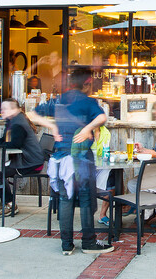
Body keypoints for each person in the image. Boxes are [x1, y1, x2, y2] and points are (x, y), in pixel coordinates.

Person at [29, 68, 114, 255]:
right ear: (88, 82)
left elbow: (32, 114)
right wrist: (87, 129)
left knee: (65, 200)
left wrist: (51, 125)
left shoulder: (60, 100)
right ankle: (88, 243)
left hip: (60, 159)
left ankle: (66, 245)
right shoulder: (88, 101)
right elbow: (102, 117)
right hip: (81, 160)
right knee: (85, 201)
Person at [0, 99, 45, 215]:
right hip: (29, 160)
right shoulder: (14, 120)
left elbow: (14, 144)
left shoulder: (18, 124)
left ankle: (9, 203)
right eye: (2, 109)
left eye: (5, 109)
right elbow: (7, 140)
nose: (2, 111)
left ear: (14, 110)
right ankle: (5, 201)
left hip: (30, 163)